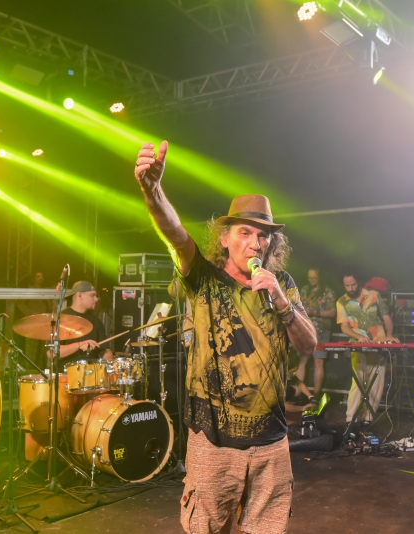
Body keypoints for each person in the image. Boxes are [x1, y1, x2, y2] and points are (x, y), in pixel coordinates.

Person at [134, 140, 316, 534]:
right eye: (245, 232)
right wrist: (153, 191)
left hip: (271, 444)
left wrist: (282, 301)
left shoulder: (282, 283)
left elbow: (308, 344)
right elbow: (174, 232)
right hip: (214, 446)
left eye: (263, 235)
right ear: (224, 238)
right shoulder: (203, 278)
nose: (255, 242)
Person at [336, 269, 398, 431]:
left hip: (378, 343)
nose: (350, 288)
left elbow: (386, 317)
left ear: (359, 282)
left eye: (353, 284)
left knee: (376, 382)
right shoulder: (341, 302)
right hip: (358, 346)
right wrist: (358, 336)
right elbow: (344, 326)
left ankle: (368, 418)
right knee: (358, 381)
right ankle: (351, 418)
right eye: (347, 285)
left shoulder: (374, 295)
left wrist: (390, 335)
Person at [297, 268, 335, 400]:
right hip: (305, 331)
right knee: (302, 362)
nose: (311, 280)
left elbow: (332, 312)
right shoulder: (304, 290)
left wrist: (314, 312)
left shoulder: (328, 292)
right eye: (309, 278)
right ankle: (297, 394)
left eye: (314, 278)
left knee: (318, 362)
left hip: (321, 331)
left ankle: (316, 394)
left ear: (319, 277)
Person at [58, 281, 114, 365]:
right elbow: (51, 353)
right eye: (92, 295)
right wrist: (79, 345)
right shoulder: (61, 318)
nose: (96, 299)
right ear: (79, 295)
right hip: (67, 371)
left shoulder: (96, 321)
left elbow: (105, 350)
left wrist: (109, 360)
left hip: (92, 370)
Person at [14, 271, 54, 369]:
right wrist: (30, 313)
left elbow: (49, 306)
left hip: (44, 324)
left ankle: (40, 369)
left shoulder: (44, 291)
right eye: (38, 276)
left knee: (43, 349)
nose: (41, 278)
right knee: (32, 349)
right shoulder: (29, 290)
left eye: (42, 276)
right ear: (33, 279)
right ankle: (30, 369)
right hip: (32, 324)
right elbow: (19, 304)